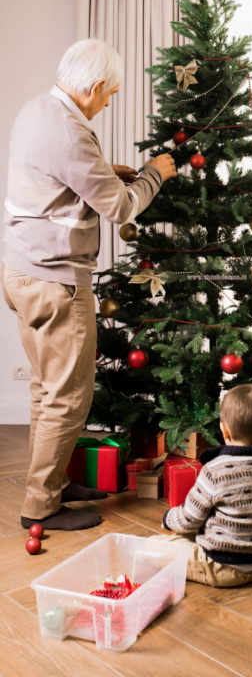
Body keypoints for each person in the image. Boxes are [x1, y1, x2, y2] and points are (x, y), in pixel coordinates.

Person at [1, 38, 177, 531]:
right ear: (95, 87)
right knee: (68, 396)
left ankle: (50, 481)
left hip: (20, 271)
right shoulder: (72, 132)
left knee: (45, 389)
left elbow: (58, 180)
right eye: (110, 95)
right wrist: (151, 174)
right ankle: (41, 506)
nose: (107, 103)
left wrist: (107, 172)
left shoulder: (37, 110)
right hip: (55, 281)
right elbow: (119, 208)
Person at [162, 384, 252, 588]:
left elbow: (190, 519)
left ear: (224, 429)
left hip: (218, 567)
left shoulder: (213, 471)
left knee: (159, 545)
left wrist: (168, 519)